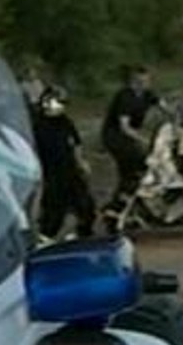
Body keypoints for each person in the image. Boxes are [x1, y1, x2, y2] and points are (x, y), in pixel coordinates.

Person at [31, 84, 97, 241]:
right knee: (54, 211)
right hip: (49, 172)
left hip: (69, 169)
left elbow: (75, 143)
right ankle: (45, 239)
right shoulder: (37, 124)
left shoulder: (65, 122)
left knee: (86, 206)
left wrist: (81, 162)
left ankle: (84, 235)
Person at [101, 65, 161, 211]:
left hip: (129, 136)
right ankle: (119, 205)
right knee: (137, 166)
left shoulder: (147, 94)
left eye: (147, 81)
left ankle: (122, 202)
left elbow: (163, 106)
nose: (145, 84)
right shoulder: (126, 97)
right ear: (133, 82)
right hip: (115, 137)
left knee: (133, 169)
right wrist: (143, 139)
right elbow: (124, 127)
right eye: (140, 81)